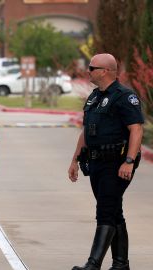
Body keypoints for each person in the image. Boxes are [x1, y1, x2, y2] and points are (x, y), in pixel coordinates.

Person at [68, 53, 144, 270]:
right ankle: (121, 263)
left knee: (105, 211)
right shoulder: (94, 97)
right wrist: (75, 159)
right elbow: (86, 131)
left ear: (106, 71)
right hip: (96, 163)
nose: (88, 71)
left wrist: (129, 160)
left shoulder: (124, 96)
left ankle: (93, 264)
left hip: (117, 162)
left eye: (92, 67)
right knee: (113, 210)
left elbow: (136, 129)